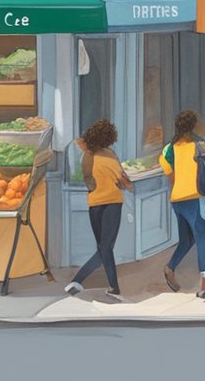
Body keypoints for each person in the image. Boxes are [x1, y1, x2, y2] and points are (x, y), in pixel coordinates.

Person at [159, 110, 205, 300]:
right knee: (203, 238)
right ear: (193, 126)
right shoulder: (200, 144)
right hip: (196, 197)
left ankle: (170, 267)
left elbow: (170, 175)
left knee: (187, 240)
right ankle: (204, 287)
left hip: (177, 201)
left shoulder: (168, 149)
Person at [67, 119, 132, 301]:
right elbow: (123, 181)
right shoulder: (111, 154)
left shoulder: (87, 155)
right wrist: (124, 184)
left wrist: (96, 188)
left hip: (94, 203)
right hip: (113, 202)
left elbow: (88, 180)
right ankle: (86, 282)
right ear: (108, 138)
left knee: (104, 247)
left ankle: (109, 286)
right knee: (105, 247)